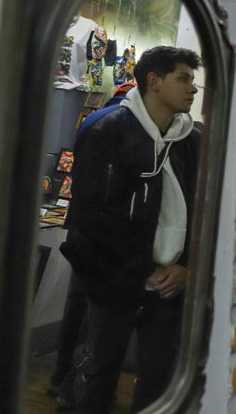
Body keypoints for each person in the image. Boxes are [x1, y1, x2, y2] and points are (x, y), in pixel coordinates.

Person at [60, 46, 201, 413]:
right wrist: (144, 268)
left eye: (193, 79)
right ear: (154, 81)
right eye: (183, 78)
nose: (193, 88)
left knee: (158, 377)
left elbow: (203, 209)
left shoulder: (191, 140)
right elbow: (93, 216)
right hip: (114, 277)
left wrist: (188, 266)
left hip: (170, 285)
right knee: (100, 368)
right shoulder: (106, 130)